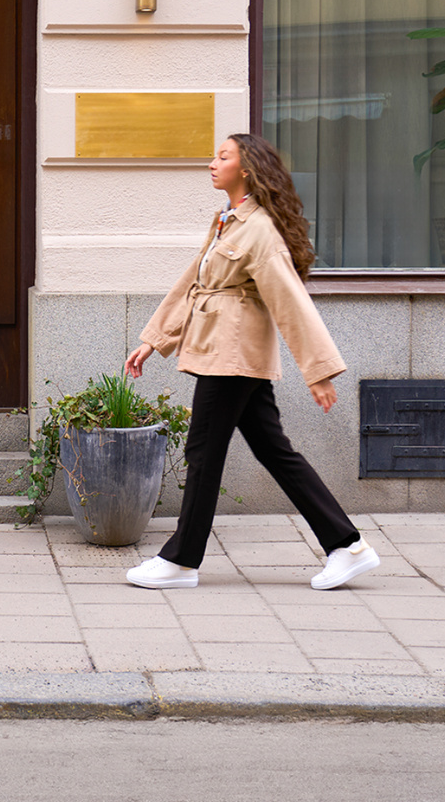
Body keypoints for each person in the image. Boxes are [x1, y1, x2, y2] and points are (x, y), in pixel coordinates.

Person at [123, 133, 379, 592]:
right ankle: (348, 546)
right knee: (273, 450)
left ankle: (181, 561)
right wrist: (155, 340)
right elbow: (193, 284)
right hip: (225, 350)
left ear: (246, 168)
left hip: (233, 353)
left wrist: (318, 371)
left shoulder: (259, 229)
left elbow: (290, 301)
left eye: (223, 156)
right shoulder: (229, 220)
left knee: (203, 453)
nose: (212, 163)